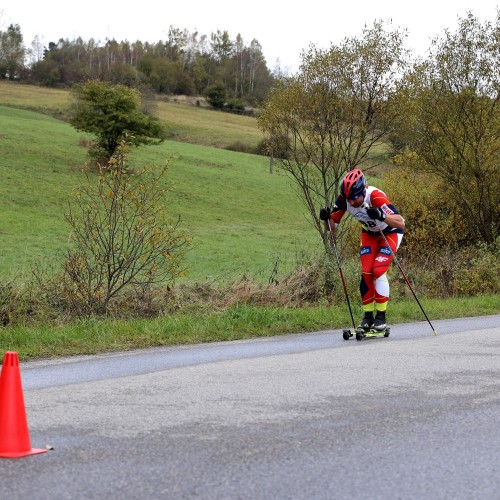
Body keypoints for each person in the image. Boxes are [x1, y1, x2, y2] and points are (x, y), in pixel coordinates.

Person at [319, 168, 405, 331]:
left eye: (354, 198)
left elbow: (400, 222)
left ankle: (381, 317)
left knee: (378, 270)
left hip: (390, 232)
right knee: (366, 271)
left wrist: (381, 215)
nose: (351, 203)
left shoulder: (374, 196)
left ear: (362, 190)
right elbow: (332, 227)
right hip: (370, 234)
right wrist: (326, 218)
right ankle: (367, 317)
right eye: (348, 199)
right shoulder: (344, 199)